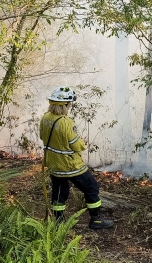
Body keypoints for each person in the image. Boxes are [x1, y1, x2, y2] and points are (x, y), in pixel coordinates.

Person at [40, 87, 115, 230]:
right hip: (70, 165)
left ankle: (60, 221)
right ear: (64, 105)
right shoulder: (66, 122)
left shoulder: (45, 118)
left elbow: (42, 136)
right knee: (91, 187)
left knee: (60, 191)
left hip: (54, 164)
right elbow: (76, 145)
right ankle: (96, 220)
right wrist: (82, 142)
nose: (70, 107)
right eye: (69, 104)